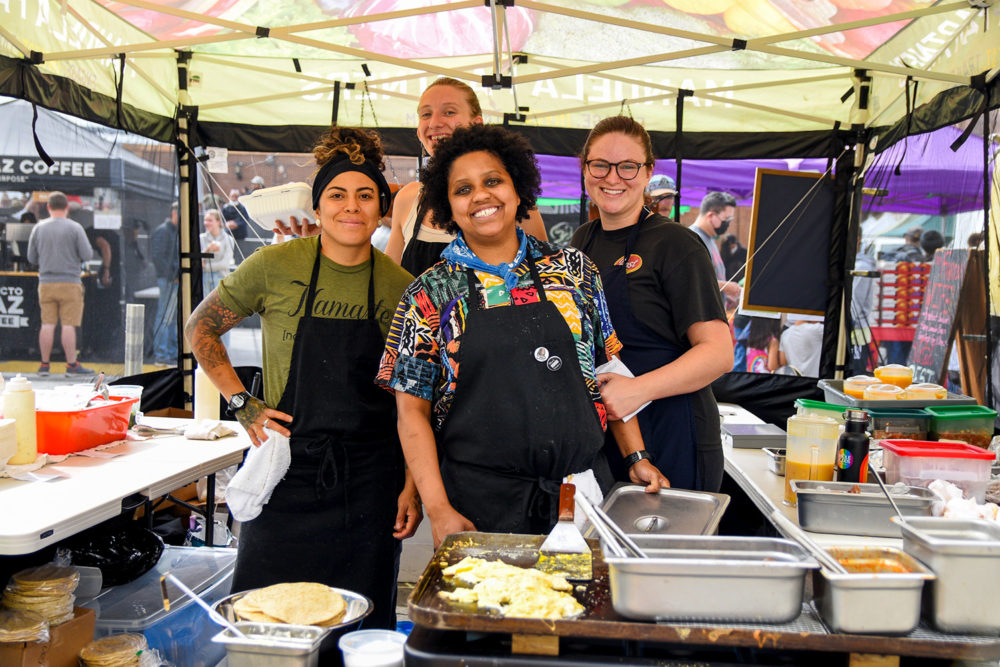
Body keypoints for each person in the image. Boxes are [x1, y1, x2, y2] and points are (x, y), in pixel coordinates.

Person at [378, 124, 667, 549]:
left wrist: (636, 456)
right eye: (463, 189)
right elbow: (411, 414)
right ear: (447, 205)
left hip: (578, 496)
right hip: (479, 506)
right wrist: (438, 509)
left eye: (493, 180)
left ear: (518, 189)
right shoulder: (428, 293)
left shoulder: (574, 270)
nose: (481, 195)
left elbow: (607, 369)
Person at [185, 126, 420, 633]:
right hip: (286, 471)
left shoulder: (401, 286)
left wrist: (410, 484)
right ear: (317, 208)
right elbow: (200, 326)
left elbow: (415, 400)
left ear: (382, 208)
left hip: (371, 479)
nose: (351, 207)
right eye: (337, 195)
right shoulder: (275, 264)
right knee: (264, 617)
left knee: (360, 622)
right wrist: (242, 403)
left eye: (365, 196)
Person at [571, 116, 733, 493]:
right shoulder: (582, 241)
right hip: (609, 432)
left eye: (628, 166)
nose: (613, 177)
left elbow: (718, 353)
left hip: (674, 430)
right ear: (585, 169)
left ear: (647, 173)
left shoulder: (676, 245)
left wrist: (639, 389)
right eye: (600, 165)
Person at [278, 79, 549, 275]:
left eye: (449, 112)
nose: (435, 123)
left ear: (476, 123)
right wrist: (328, 238)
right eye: (425, 114)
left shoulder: (508, 198)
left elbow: (545, 281)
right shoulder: (410, 198)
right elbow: (385, 280)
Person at [26, 192, 96, 376]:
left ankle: (44, 365)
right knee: (68, 325)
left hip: (46, 283)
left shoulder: (39, 228)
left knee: (47, 324)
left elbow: (31, 258)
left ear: (48, 207)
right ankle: (71, 365)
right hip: (70, 283)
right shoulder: (75, 228)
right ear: (66, 208)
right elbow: (88, 254)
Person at [689, 191, 740, 310]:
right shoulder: (692, 239)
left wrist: (724, 296)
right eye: (726, 219)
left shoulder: (710, 239)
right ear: (711, 215)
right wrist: (725, 287)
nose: (728, 224)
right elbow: (692, 279)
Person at [199, 208, 234, 348]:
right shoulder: (201, 238)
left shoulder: (228, 240)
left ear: (218, 222)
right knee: (205, 316)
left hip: (220, 280)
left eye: (210, 220)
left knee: (222, 316)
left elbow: (225, 263)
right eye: (205, 220)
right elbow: (198, 261)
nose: (207, 223)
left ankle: (224, 350)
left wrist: (206, 265)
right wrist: (207, 251)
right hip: (204, 279)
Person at [151, 203, 179, 367]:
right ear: (174, 213)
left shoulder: (172, 231)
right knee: (164, 317)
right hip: (168, 279)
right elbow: (158, 257)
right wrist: (173, 275)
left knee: (170, 317)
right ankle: (162, 353)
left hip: (172, 279)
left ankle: (170, 352)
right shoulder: (163, 231)